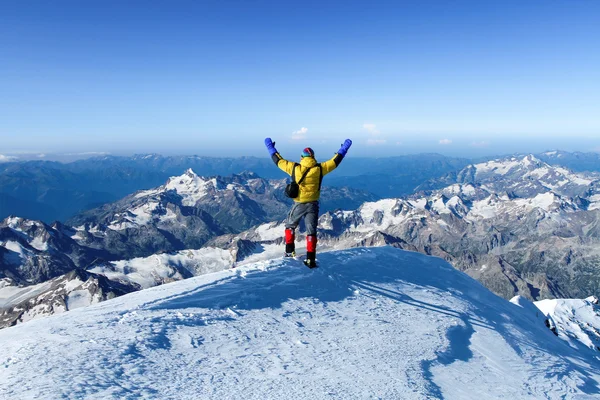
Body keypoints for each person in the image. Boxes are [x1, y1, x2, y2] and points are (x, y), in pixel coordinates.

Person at [264, 137, 352, 268]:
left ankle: (289, 252)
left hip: (299, 203)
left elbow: (278, 161)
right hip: (313, 204)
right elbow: (336, 160)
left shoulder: (294, 168)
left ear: (302, 157)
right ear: (313, 157)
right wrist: (344, 148)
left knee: (290, 226)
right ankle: (310, 259)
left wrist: (270, 147)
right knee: (311, 232)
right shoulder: (320, 169)